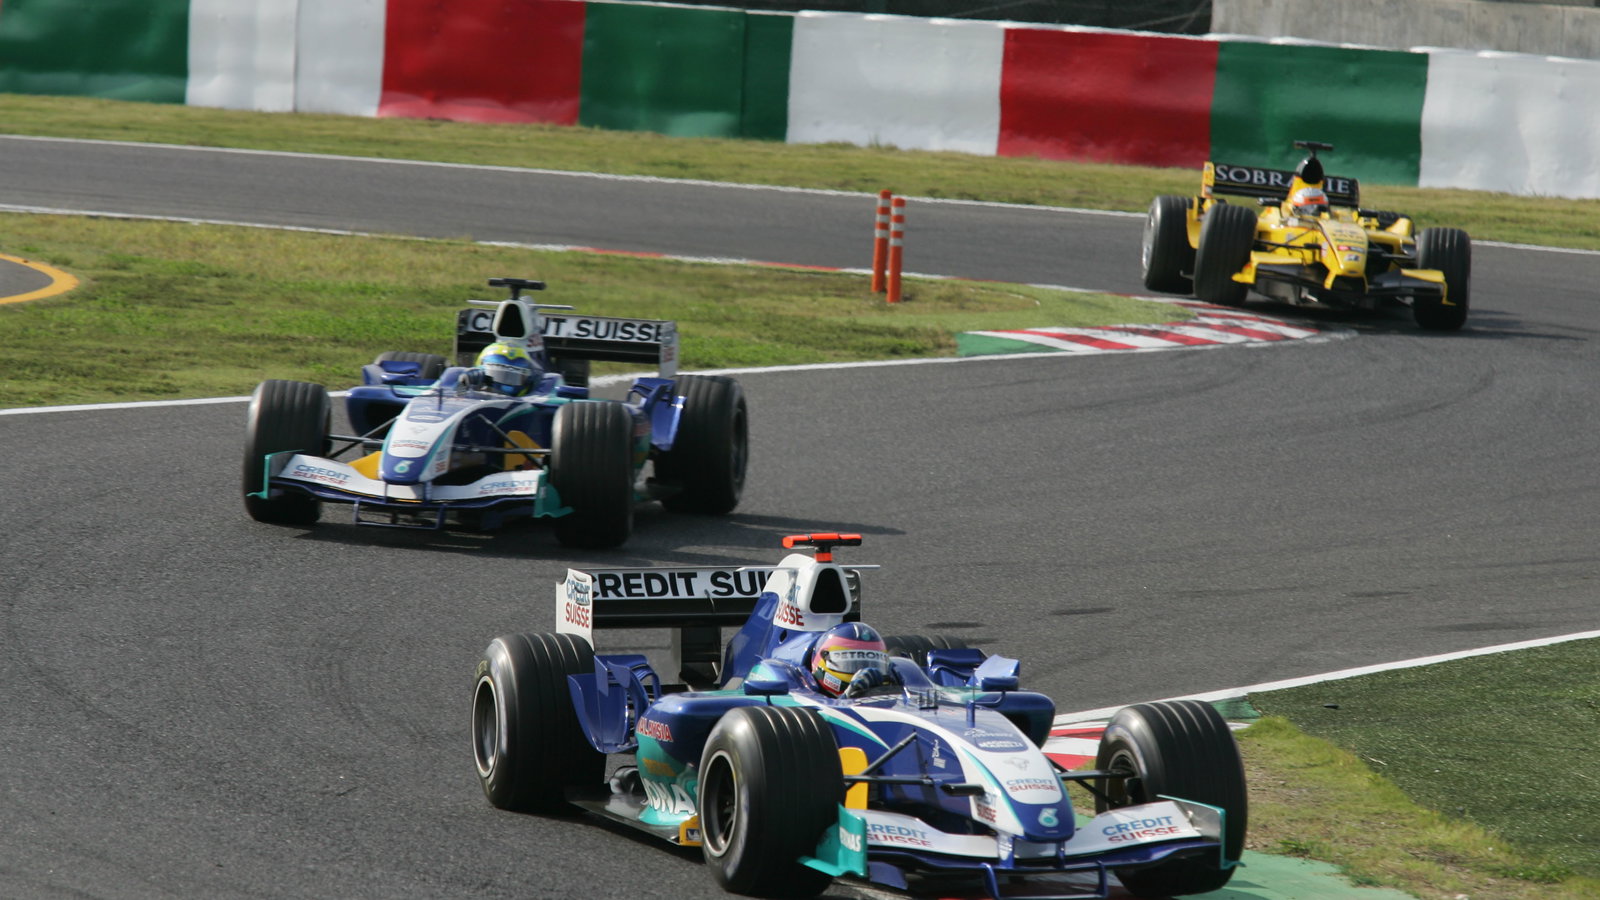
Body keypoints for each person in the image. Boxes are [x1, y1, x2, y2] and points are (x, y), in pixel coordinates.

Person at [809, 622, 896, 698]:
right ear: (823, 661)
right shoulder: (804, 688)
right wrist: (848, 696)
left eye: (873, 663)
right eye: (851, 665)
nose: (865, 674)